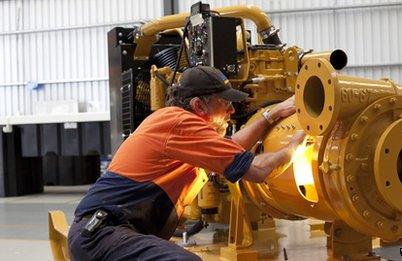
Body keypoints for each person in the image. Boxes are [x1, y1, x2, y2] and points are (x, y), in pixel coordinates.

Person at [68, 66, 306, 261]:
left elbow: (231, 146)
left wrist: (272, 115)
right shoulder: (180, 123)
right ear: (198, 106)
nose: (232, 110)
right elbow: (258, 170)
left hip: (103, 232)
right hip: (102, 234)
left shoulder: (173, 124)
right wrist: (295, 146)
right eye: (225, 102)